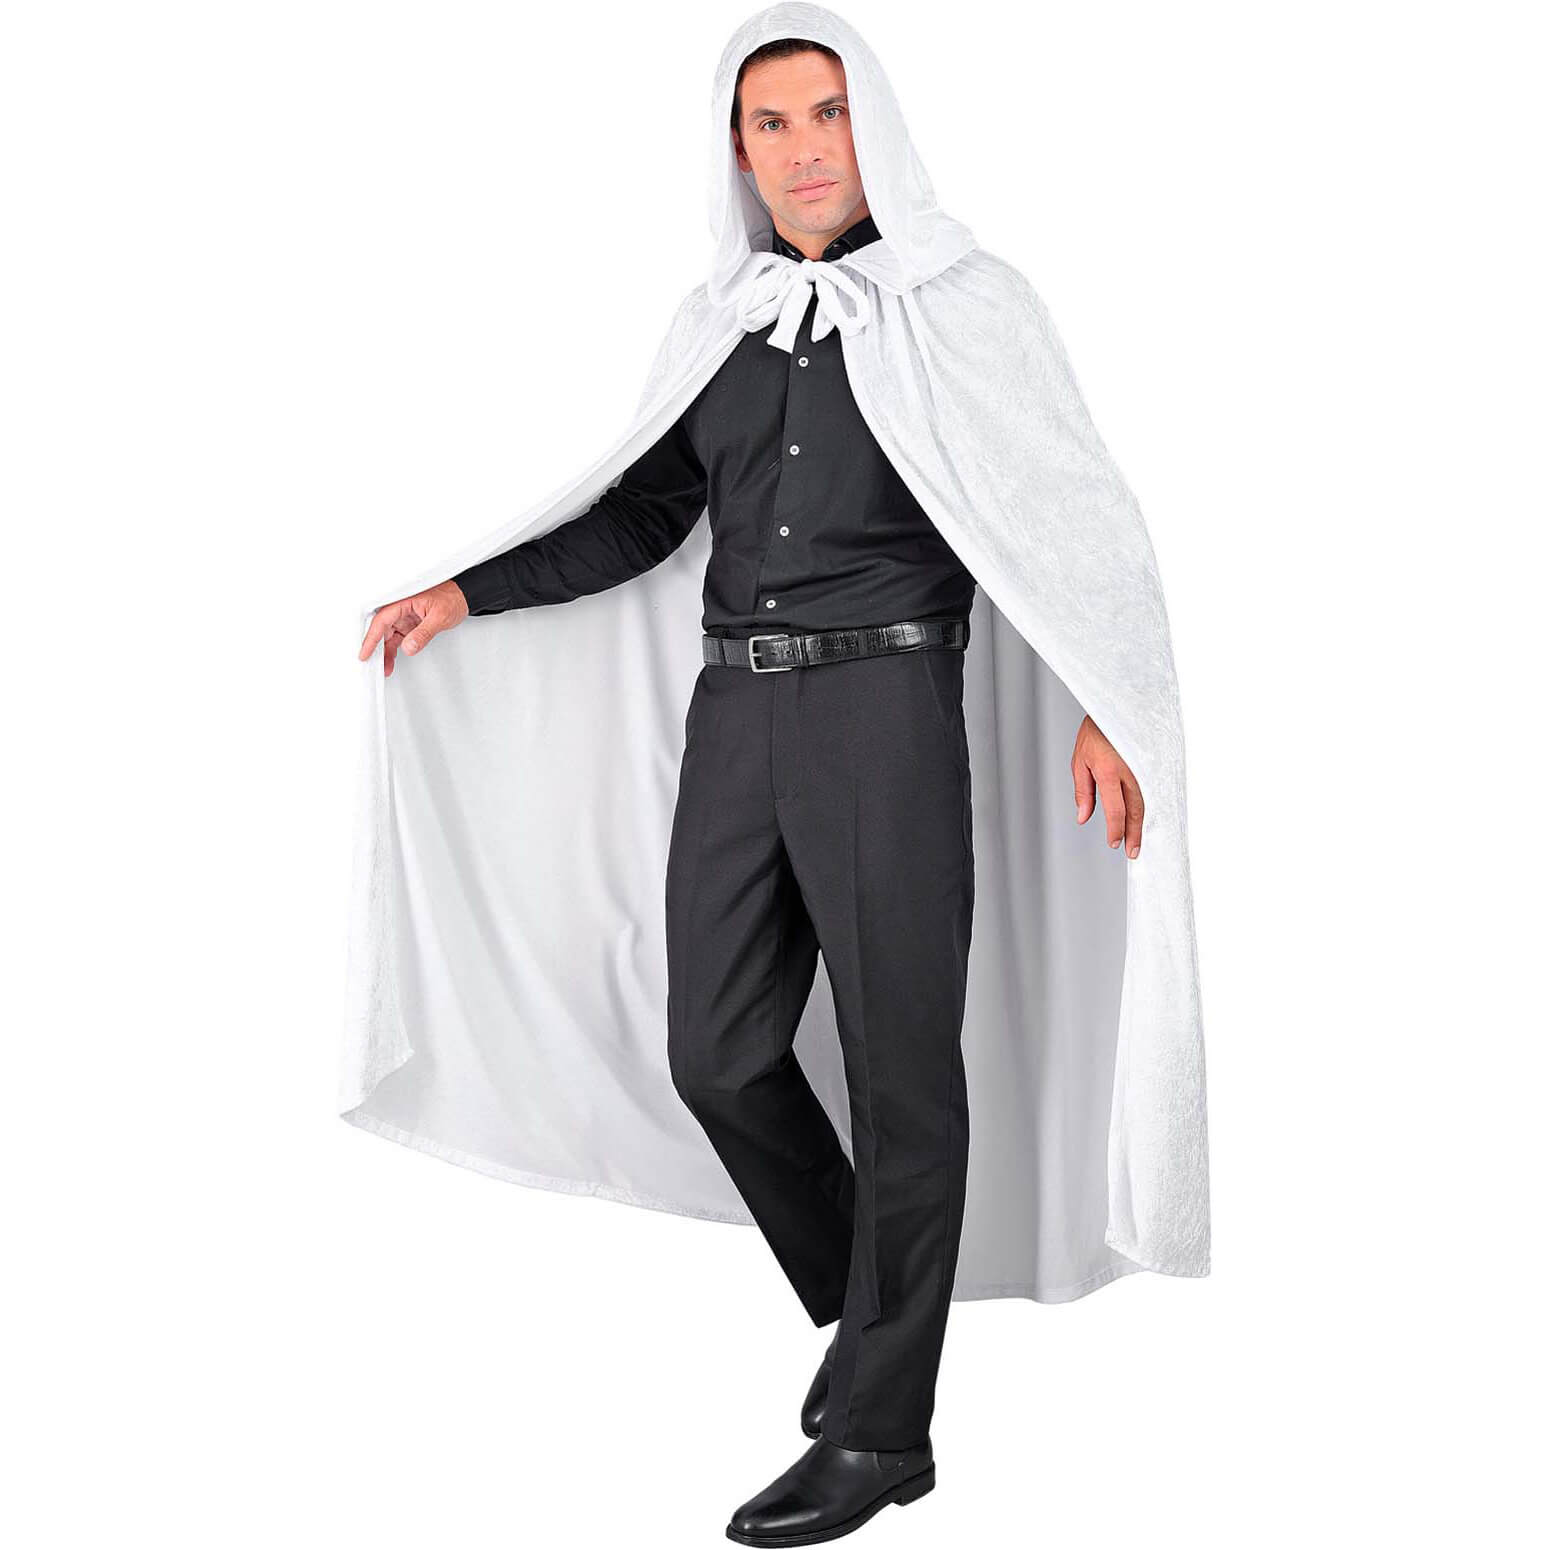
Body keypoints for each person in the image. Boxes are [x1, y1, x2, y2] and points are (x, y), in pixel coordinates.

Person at [354, 14, 1185, 1547]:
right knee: (717, 1050)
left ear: (876, 126)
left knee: (900, 1068)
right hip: (735, 714)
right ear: (735, 150)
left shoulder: (964, 304)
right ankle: (872, 1312)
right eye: (769, 123)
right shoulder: (720, 320)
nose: (803, 150)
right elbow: (644, 511)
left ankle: (883, 1428)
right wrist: (463, 592)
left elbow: (1075, 515)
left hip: (886, 713)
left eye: (826, 114)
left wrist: (1108, 703)